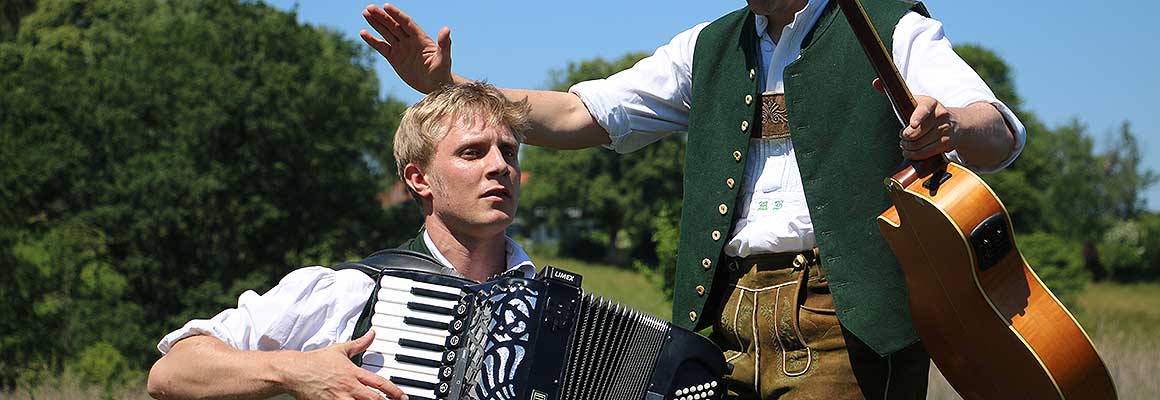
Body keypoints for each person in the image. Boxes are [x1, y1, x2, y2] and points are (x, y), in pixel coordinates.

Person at [361, 1, 1026, 399]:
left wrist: (953, 126)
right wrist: (453, 83)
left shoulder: (890, 26)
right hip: (725, 320)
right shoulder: (709, 47)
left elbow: (996, 132)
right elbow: (575, 115)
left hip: (844, 315)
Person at [146, 81, 534, 400]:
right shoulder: (351, 291)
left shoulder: (547, 310)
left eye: (508, 152)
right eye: (472, 152)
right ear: (420, 179)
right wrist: (295, 370)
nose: (500, 165)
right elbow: (173, 372)